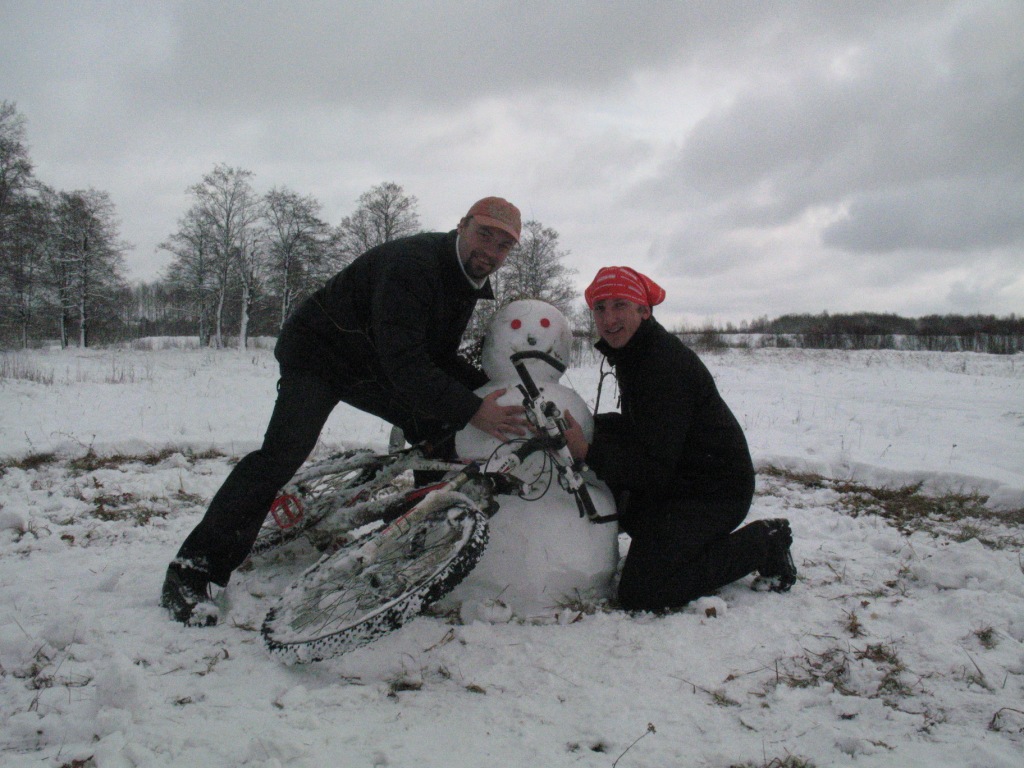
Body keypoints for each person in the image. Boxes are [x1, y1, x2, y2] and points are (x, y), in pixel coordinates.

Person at [162, 196, 530, 625]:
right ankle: (192, 569)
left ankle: (417, 547)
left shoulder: (465, 280)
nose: (491, 250)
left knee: (436, 425)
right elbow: (406, 362)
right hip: (319, 354)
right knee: (283, 453)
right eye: (484, 234)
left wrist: (493, 388)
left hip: (368, 361)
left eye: (504, 245)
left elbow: (436, 356)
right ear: (462, 225)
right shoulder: (414, 265)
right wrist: (474, 408)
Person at [562, 266, 796, 611]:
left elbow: (653, 466)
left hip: (714, 492)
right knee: (632, 516)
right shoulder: (637, 353)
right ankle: (684, 545)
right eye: (600, 308)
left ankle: (764, 542)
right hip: (682, 481)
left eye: (619, 305)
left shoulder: (662, 364)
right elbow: (645, 428)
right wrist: (588, 424)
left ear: (644, 309)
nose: (608, 318)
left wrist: (587, 450)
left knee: (642, 593)